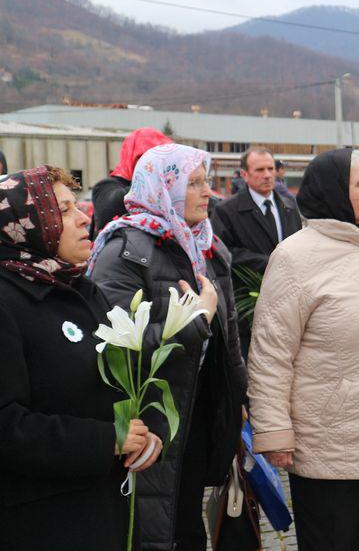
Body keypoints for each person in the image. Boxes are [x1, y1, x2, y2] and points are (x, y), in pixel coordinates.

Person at [246, 149, 359, 550]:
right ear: (332, 193)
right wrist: (274, 432)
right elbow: (271, 353)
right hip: (330, 447)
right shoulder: (294, 257)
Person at [89, 143, 247, 551]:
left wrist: (236, 398)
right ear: (163, 188)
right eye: (193, 184)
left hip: (199, 418)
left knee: (187, 527)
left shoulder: (208, 247)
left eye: (206, 181)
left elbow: (229, 341)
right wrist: (197, 321)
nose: (207, 192)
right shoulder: (125, 250)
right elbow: (115, 343)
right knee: (155, 532)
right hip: (153, 423)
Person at [0, 165, 162, 550]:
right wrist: (105, 440)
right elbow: (6, 425)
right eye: (65, 209)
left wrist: (141, 432)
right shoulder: (6, 301)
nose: (84, 216)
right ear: (27, 223)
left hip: (105, 505)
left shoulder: (79, 287)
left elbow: (112, 381)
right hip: (43, 519)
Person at [211, 147, 301, 357]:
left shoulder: (288, 206)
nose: (268, 175)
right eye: (259, 169)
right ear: (244, 175)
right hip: (248, 309)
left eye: (270, 168)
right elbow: (222, 253)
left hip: (288, 303)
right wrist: (268, 262)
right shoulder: (226, 211)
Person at [90, 127, 173, 238]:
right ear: (131, 157)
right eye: (147, 158)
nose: (155, 166)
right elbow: (109, 209)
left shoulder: (169, 187)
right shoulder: (106, 186)